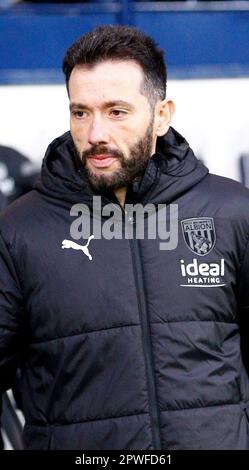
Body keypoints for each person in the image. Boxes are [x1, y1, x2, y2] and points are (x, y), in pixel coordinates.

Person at [0, 25, 249, 451]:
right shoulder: (20, 230)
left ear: (162, 114)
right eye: (81, 112)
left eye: (116, 111)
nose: (96, 133)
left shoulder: (232, 212)